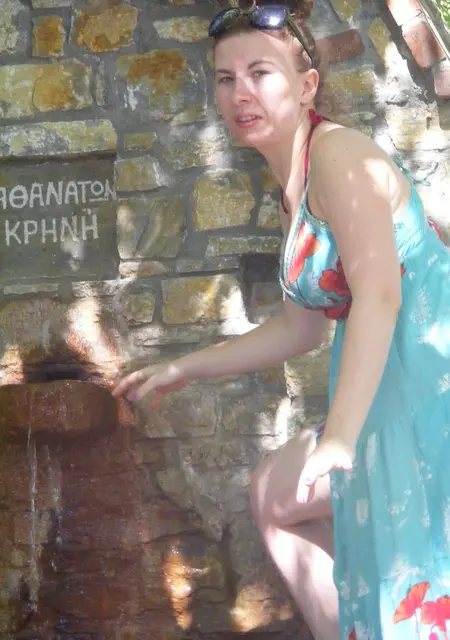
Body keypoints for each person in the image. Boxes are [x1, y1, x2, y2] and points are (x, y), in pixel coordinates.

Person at [113, 1, 450, 638]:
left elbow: (380, 296)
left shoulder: (338, 155)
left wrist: (341, 436)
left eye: (260, 73)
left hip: (431, 372)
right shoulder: (292, 189)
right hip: (386, 377)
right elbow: (301, 330)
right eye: (226, 78)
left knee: (417, 567)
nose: (240, 93)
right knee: (274, 495)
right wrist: (184, 367)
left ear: (306, 84)